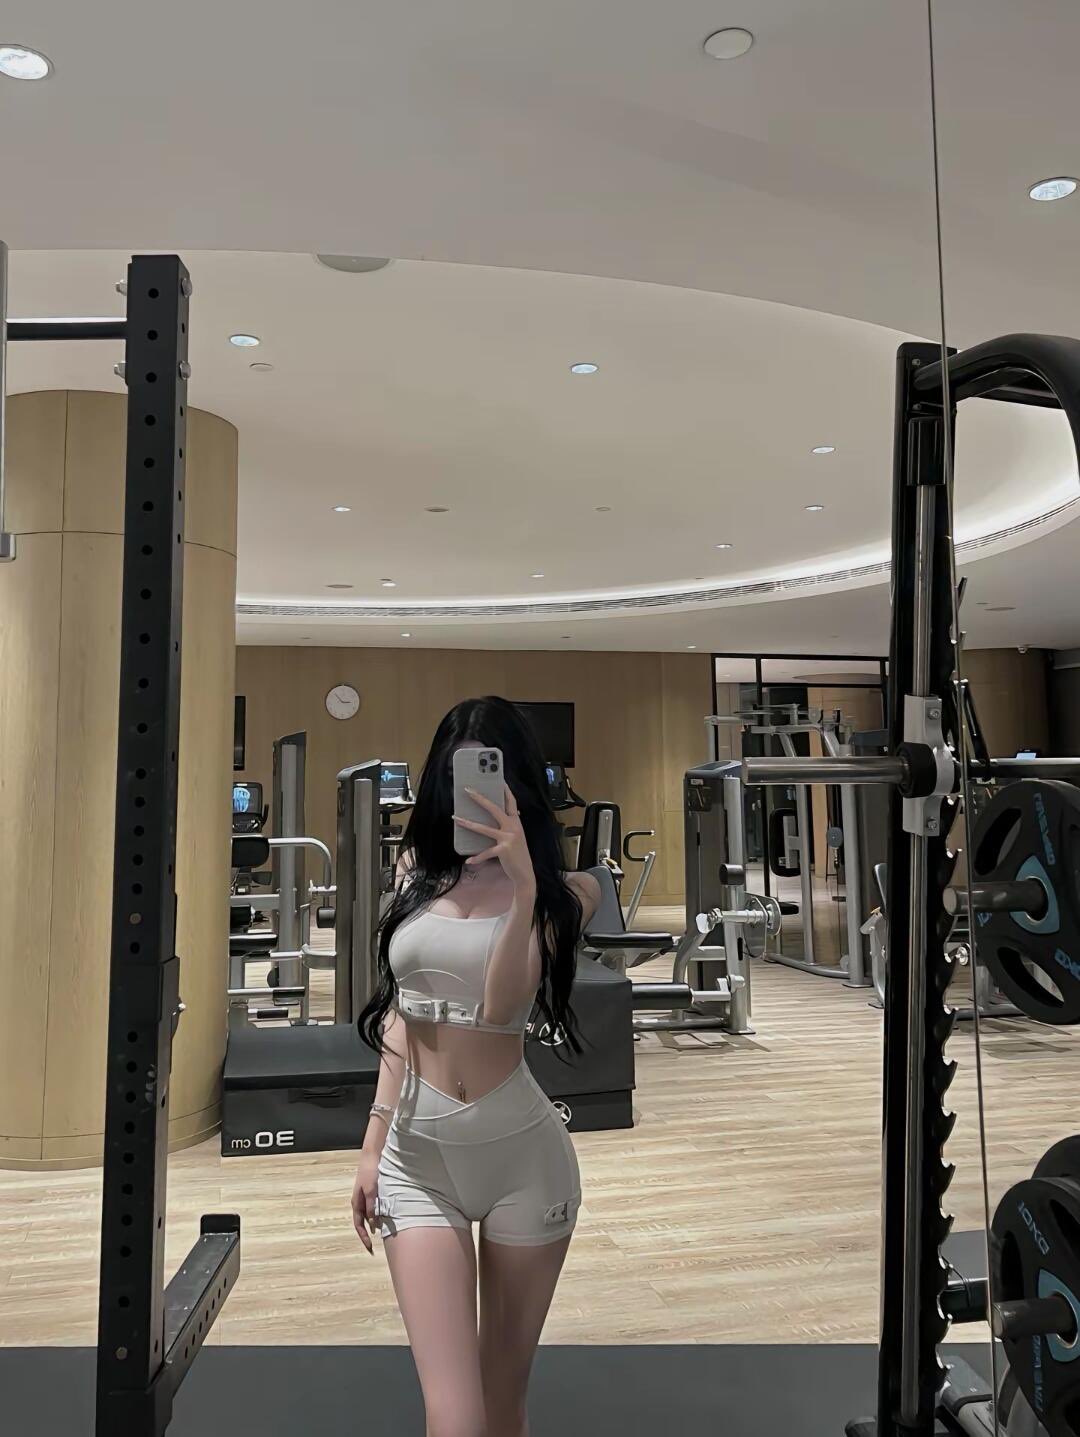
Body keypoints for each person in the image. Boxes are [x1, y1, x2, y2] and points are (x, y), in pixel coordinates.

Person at [351, 695, 600, 1437]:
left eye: (490, 779)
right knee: (454, 1415)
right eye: (456, 780)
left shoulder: (568, 895)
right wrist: (371, 1145)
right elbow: (402, 1016)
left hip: (524, 1159)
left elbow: (500, 1007)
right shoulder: (415, 875)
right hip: (416, 1158)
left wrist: (522, 887)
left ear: (518, 785)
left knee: (500, 1403)